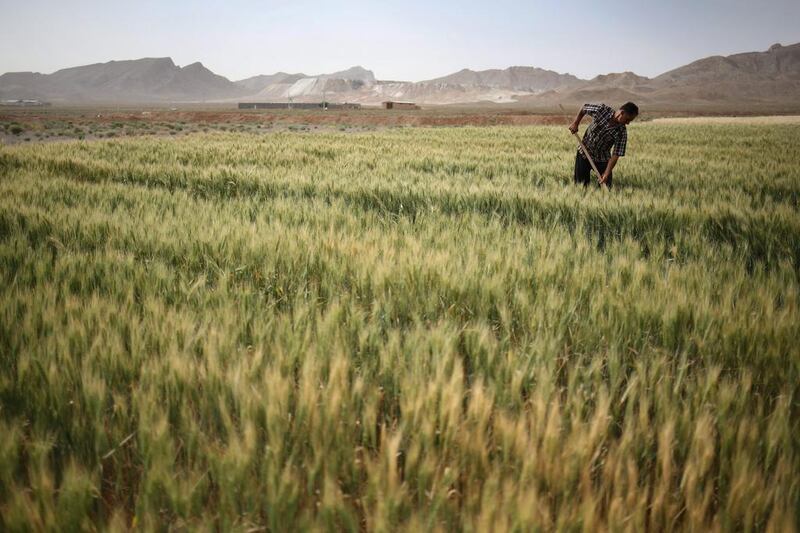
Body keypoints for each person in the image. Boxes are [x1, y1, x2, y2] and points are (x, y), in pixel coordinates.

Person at [568, 102, 638, 188]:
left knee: (606, 187)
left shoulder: (622, 132)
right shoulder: (601, 110)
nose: (628, 123)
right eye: (627, 119)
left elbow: (616, 154)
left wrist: (606, 173)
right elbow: (584, 108)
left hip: (602, 159)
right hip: (584, 153)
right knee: (581, 185)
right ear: (621, 113)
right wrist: (576, 123)